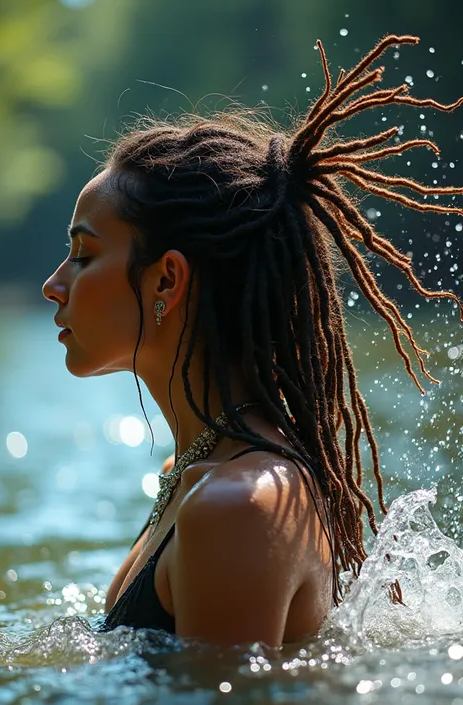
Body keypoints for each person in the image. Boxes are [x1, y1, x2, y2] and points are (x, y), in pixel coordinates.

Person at [42, 34, 463, 647]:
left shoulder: (237, 504)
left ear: (167, 279)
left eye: (83, 254)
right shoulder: (194, 472)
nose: (55, 286)